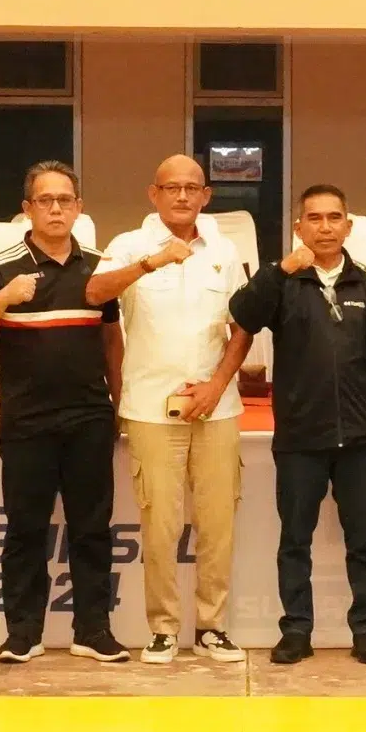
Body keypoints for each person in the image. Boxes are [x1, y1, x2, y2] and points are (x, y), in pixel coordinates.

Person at [230, 184, 366, 665]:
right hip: (299, 437)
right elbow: (242, 313)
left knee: (364, 543)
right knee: (295, 540)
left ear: (348, 226)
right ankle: (296, 629)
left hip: (360, 435)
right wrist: (279, 270)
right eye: (314, 218)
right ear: (299, 227)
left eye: (334, 218)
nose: (325, 227)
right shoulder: (284, 280)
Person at [0, 161, 128, 664]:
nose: (56, 208)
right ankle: (23, 633)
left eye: (65, 200)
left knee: (92, 527)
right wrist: (5, 297)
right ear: (27, 209)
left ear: (78, 208)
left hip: (89, 418)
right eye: (45, 200)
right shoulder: (1, 267)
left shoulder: (99, 268)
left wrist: (118, 403)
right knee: (25, 528)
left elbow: (112, 341)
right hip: (26, 420)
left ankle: (93, 630)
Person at [99, 155, 252, 664]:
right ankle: (162, 628)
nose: (182, 196)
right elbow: (95, 293)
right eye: (172, 188)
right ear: (154, 193)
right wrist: (151, 262)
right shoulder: (129, 245)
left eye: (192, 188)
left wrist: (217, 384)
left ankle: (212, 626)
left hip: (217, 406)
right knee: (160, 526)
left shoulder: (225, 251)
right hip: (150, 408)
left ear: (206, 195)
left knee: (217, 524)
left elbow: (243, 326)